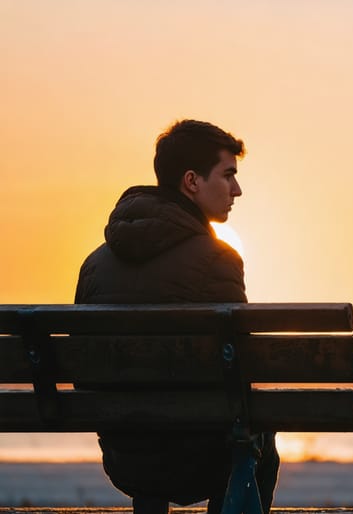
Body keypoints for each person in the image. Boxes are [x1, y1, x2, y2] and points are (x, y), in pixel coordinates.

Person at [74, 120, 279, 514]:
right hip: (202, 458)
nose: (237, 190)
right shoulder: (219, 259)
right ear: (192, 181)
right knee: (258, 439)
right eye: (228, 175)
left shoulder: (95, 265)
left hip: (127, 458)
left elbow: (85, 373)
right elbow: (241, 368)